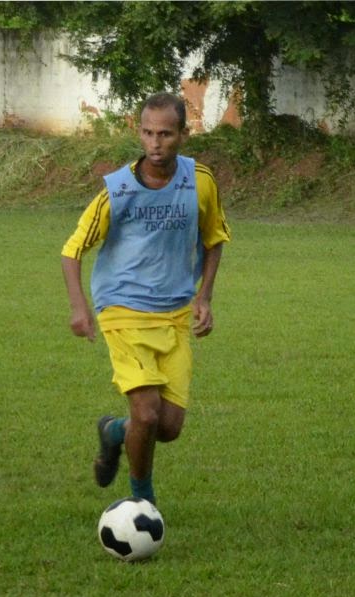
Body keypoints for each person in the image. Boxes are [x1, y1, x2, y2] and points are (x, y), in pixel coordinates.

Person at [61, 92, 231, 505]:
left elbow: (214, 238)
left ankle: (114, 432)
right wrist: (80, 307)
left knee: (167, 427)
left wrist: (204, 297)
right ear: (139, 133)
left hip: (174, 314)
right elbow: (72, 250)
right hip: (122, 310)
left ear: (184, 135)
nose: (156, 143)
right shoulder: (117, 190)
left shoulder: (200, 181)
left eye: (165, 134)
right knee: (147, 412)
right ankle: (143, 503)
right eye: (148, 133)